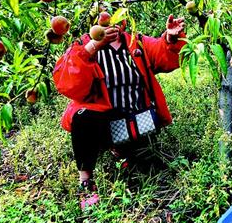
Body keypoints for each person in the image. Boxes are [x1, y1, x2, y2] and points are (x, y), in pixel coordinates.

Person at [53, 14, 186, 209]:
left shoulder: (135, 41)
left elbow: (161, 55)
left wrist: (170, 38)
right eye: (105, 17)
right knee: (82, 118)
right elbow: (67, 80)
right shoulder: (84, 44)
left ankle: (122, 151)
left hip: (137, 116)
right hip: (103, 120)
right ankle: (86, 181)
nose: (111, 23)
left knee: (144, 165)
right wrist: (94, 46)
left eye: (117, 15)